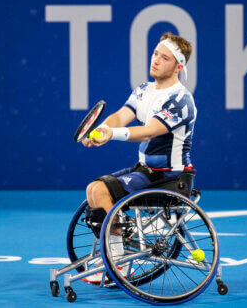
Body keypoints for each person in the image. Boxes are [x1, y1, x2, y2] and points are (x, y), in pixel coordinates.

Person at [82, 32, 196, 283]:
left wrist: (112, 134)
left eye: (164, 58)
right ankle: (113, 251)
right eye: (156, 53)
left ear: (178, 67)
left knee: (101, 191)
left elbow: (150, 130)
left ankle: (117, 262)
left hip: (170, 177)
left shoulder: (181, 100)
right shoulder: (143, 90)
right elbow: (121, 116)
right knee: (93, 189)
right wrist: (102, 130)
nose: (155, 60)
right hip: (147, 171)